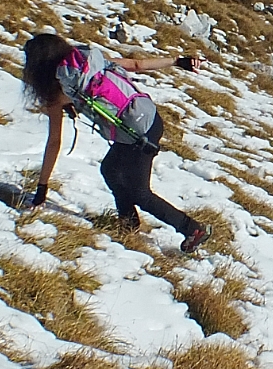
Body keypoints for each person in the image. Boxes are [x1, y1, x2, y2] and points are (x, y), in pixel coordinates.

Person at [20, 32, 211, 253]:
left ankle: (192, 229)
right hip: (149, 118)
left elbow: (54, 142)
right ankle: (128, 223)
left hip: (135, 135)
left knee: (139, 191)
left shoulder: (56, 92)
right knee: (110, 169)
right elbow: (136, 64)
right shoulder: (90, 63)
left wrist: (42, 189)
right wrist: (178, 61)